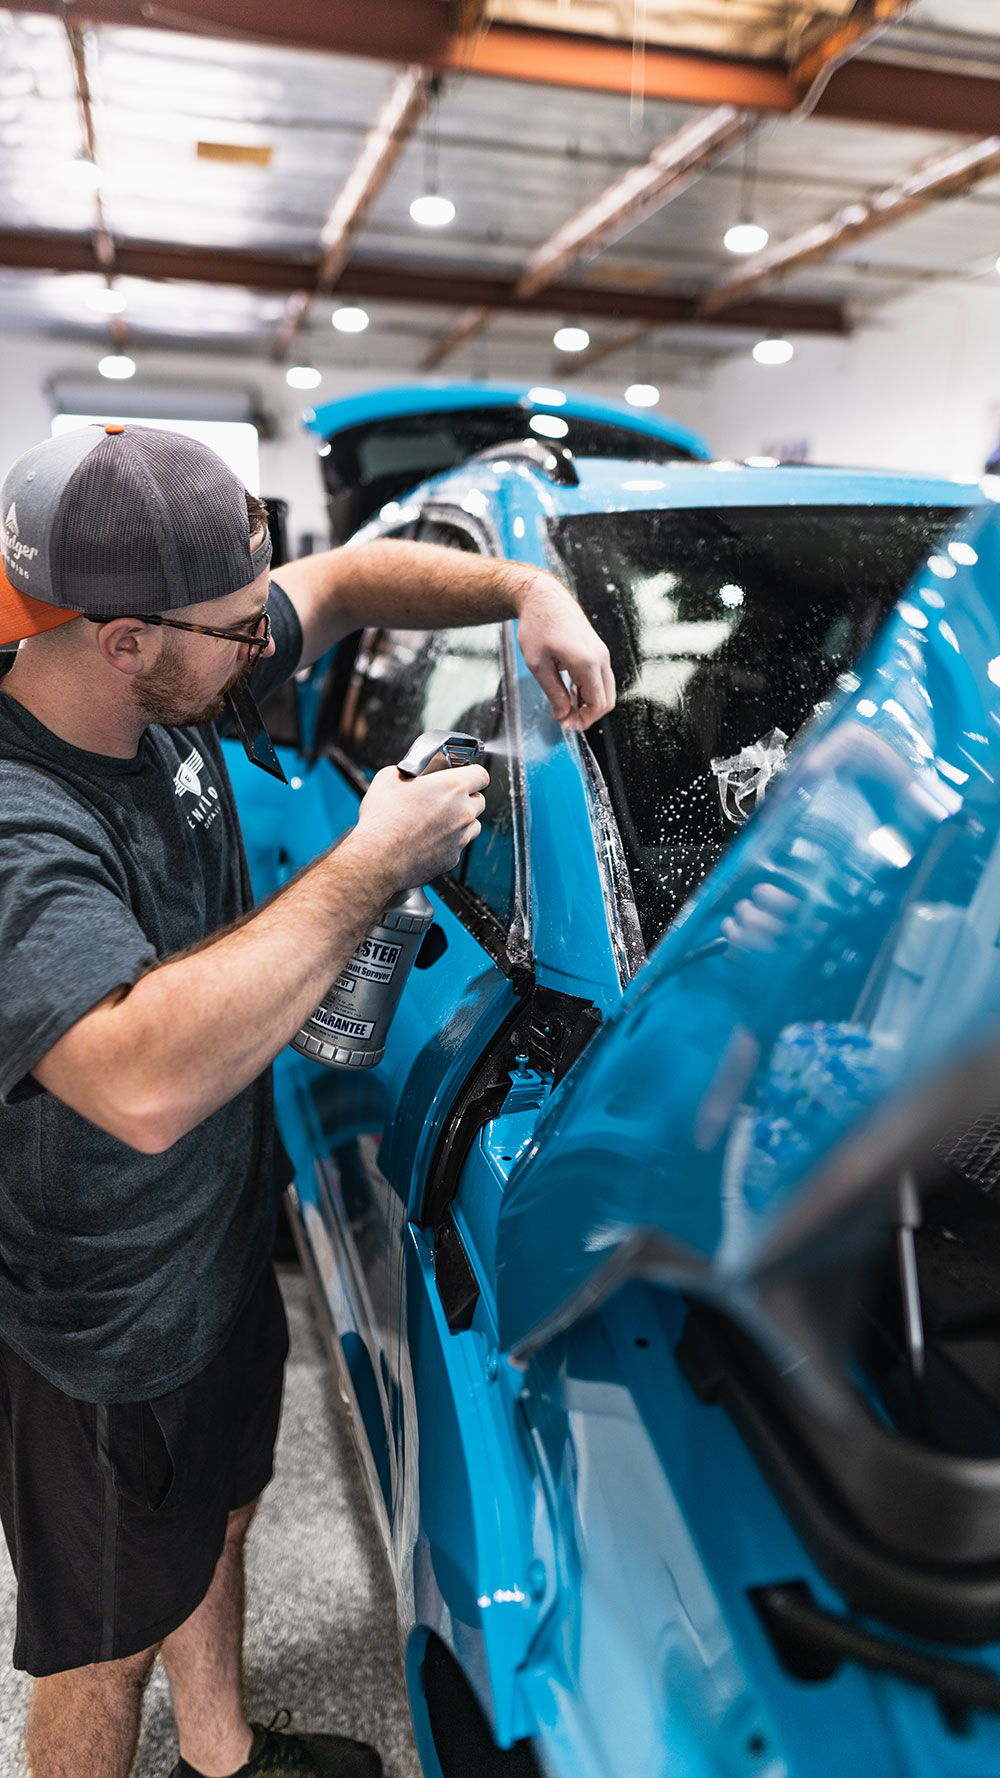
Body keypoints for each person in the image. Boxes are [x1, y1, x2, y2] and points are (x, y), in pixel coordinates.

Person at [0, 423, 615, 1778]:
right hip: (103, 1318)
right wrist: (370, 861)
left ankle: (223, 1757)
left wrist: (521, 586)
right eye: (230, 633)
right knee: (98, 1645)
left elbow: (337, 585)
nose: (260, 651)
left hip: (215, 1242)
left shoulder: (177, 652)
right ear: (121, 640)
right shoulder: (22, 815)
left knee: (220, 1518)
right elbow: (141, 1078)